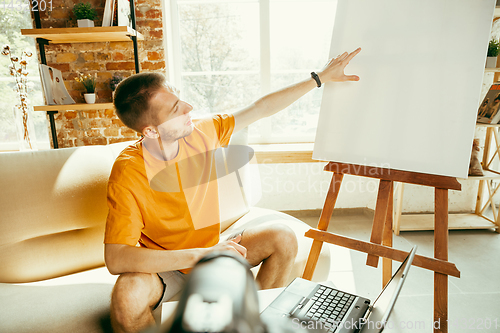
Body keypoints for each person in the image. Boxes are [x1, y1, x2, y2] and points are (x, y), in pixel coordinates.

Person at [104, 48, 361, 333]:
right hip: (167, 263)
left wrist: (319, 78)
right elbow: (117, 258)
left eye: (181, 99)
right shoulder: (129, 171)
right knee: (127, 295)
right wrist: (198, 255)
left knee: (283, 237)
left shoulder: (202, 132)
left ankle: (249, 326)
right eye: (176, 109)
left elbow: (260, 108)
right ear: (151, 131)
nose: (189, 107)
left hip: (213, 249)